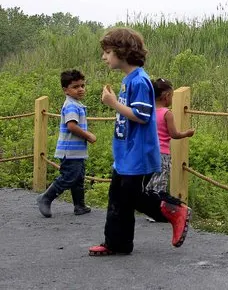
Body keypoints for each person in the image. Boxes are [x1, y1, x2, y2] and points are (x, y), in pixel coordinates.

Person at [89, 27, 191, 256]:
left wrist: (113, 103)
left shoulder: (140, 81)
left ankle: (174, 210)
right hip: (126, 151)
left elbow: (143, 116)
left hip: (138, 153)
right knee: (117, 196)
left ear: (121, 52)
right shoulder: (129, 80)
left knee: (131, 196)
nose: (103, 57)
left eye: (107, 52)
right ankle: (118, 243)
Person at [37, 69, 97, 218]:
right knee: (69, 176)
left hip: (77, 151)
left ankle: (79, 205)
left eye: (82, 85)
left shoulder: (76, 104)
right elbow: (71, 126)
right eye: (75, 87)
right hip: (70, 150)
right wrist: (88, 135)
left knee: (78, 178)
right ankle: (46, 197)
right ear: (66, 90)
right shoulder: (71, 105)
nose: (81, 89)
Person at [146, 77, 195, 196]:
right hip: (162, 153)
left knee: (148, 182)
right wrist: (187, 133)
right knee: (160, 185)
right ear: (167, 96)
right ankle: (156, 210)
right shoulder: (167, 114)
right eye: (172, 96)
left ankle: (147, 207)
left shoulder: (148, 111)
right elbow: (174, 134)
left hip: (147, 152)